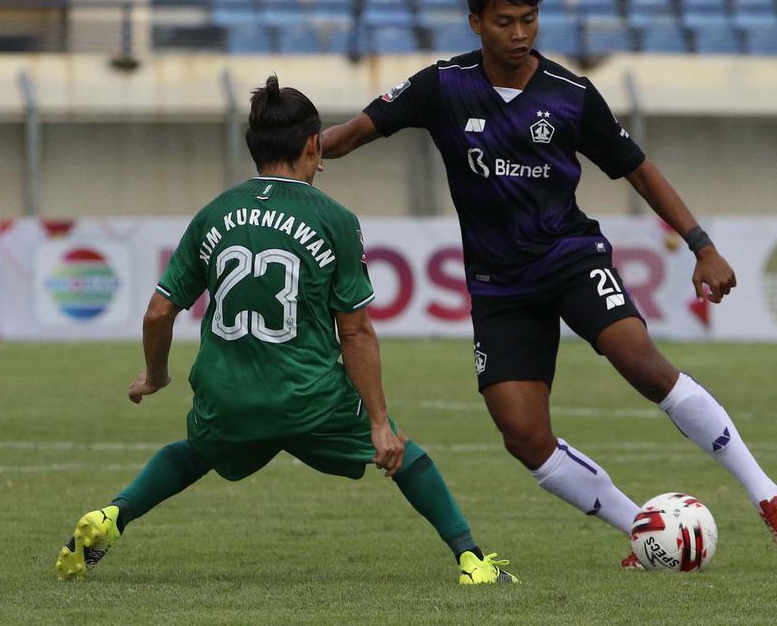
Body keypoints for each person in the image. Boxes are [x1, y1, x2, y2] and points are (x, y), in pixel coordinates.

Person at [319, 0, 777, 566]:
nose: (520, 33)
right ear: (476, 21)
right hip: (499, 285)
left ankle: (769, 496)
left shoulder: (570, 94)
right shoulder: (443, 86)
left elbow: (639, 169)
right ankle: (646, 530)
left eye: (529, 19)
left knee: (644, 365)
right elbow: (347, 138)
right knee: (523, 435)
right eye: (505, 21)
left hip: (570, 258)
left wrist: (702, 245)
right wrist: (291, 146)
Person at [54, 76, 517, 585]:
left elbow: (157, 313)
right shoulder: (333, 219)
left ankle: (113, 517)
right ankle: (471, 558)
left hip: (228, 396)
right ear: (314, 145)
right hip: (309, 397)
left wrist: (156, 376)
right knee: (403, 452)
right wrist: (379, 421)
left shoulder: (214, 214)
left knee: (194, 453)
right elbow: (356, 332)